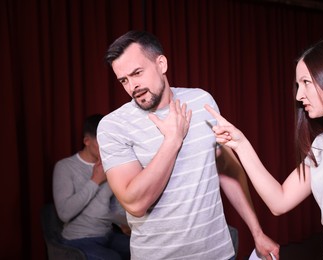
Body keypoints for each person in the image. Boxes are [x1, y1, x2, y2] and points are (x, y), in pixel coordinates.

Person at [96, 30, 280, 260]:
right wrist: (172, 140)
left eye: (137, 73)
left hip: (218, 254)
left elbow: (228, 170)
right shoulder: (113, 126)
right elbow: (135, 203)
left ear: (161, 63)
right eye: (124, 80)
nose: (132, 86)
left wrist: (257, 232)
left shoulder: (201, 101)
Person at [205, 39, 323, 259]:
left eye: (306, 82)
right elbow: (279, 202)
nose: (298, 96)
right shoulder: (322, 144)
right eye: (297, 85)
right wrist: (241, 144)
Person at [53, 114, 131, 260]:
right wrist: (95, 180)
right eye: (101, 142)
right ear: (87, 141)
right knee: (112, 258)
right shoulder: (65, 167)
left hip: (107, 235)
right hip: (79, 239)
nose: (106, 147)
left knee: (141, 249)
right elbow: (64, 213)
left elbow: (115, 207)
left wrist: (128, 224)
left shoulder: (110, 167)